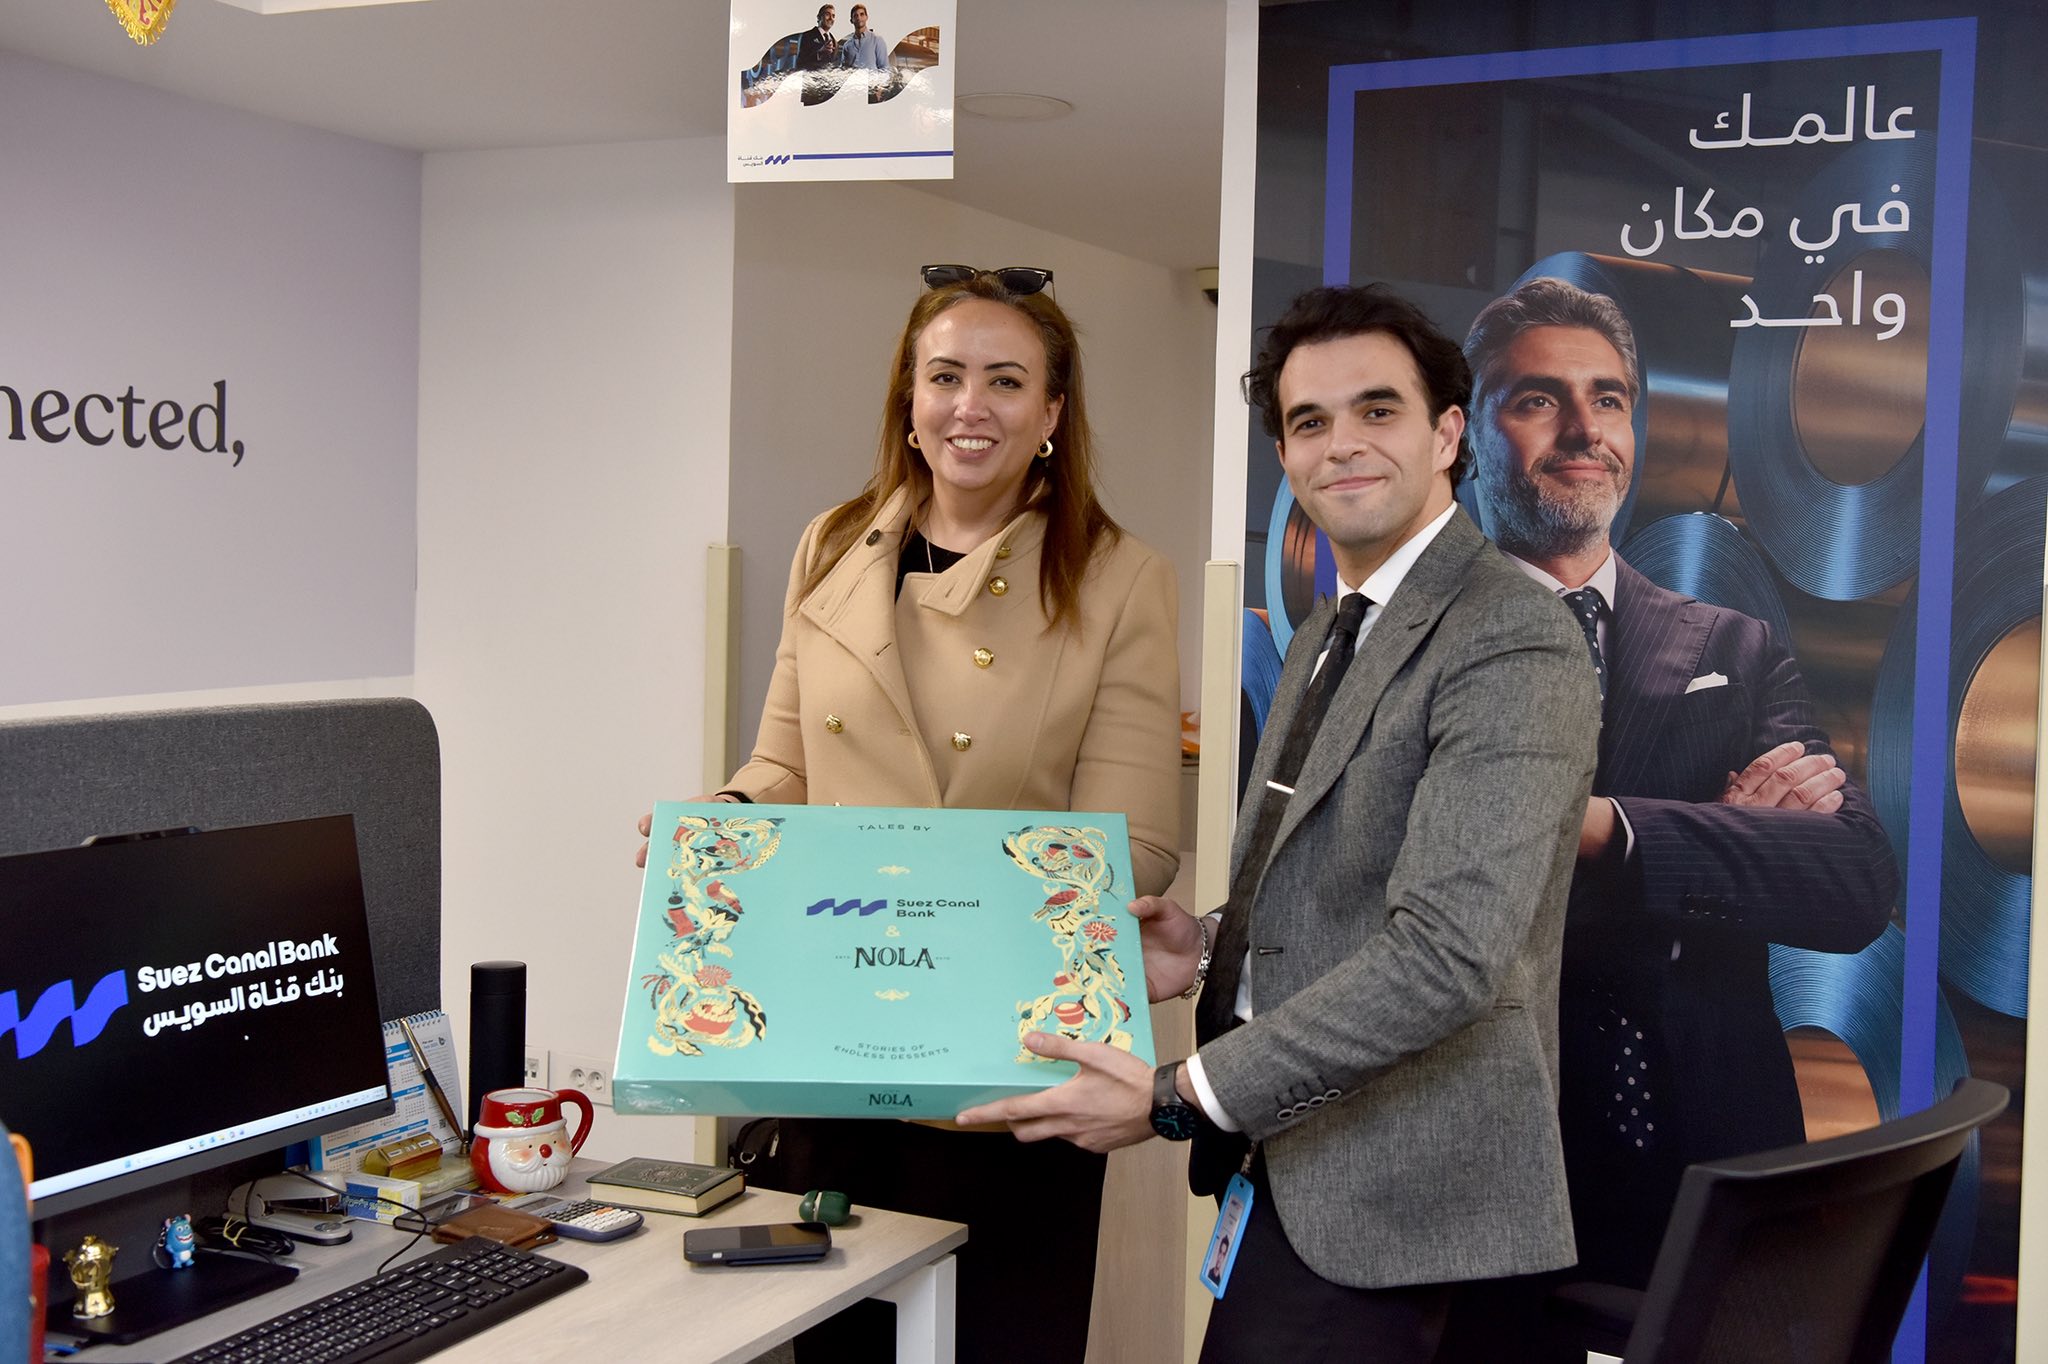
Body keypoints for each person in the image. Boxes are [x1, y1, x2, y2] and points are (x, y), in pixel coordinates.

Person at [959, 283, 1602, 1363]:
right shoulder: (1324, 630)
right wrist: (1213, 943)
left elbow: (1446, 956)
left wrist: (1176, 1097)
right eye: (1309, 421)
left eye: (1377, 410)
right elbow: (1342, 880)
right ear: (1285, 456)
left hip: (1405, 1208)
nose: (1340, 443)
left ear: (1448, 434)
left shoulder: (1509, 635)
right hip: (1299, 1165)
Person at [642, 265, 1182, 1360]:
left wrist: (944, 894)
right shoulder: (832, 543)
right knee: (836, 1342)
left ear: (1052, 412)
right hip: (832, 1043)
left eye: (1005, 381)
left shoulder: (1117, 577)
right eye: (944, 376)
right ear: (908, 396)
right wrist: (722, 822)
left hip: (1003, 1067)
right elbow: (784, 764)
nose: (968, 406)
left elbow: (1137, 848)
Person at [1461, 276, 1898, 1286]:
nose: (1584, 430)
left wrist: (1607, 830)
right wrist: (1721, 842)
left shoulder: (1732, 648)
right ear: (1464, 435)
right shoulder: (1410, 649)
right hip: (1489, 1166)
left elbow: (1853, 884)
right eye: (1538, 399)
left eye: (1608, 398)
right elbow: (1457, 910)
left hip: (1712, 1160)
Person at [839, 2, 890, 99]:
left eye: (862, 14)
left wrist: (880, 89)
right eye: (855, 15)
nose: (859, 17)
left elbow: (884, 68)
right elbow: (844, 69)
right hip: (852, 91)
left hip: (871, 91)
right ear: (851, 20)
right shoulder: (847, 45)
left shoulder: (877, 40)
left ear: (867, 17)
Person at [795, 3, 839, 70]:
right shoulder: (807, 36)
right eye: (827, 14)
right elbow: (800, 63)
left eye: (833, 16)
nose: (831, 18)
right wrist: (819, 53)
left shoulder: (835, 43)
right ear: (819, 17)